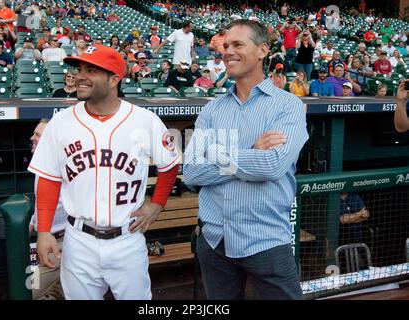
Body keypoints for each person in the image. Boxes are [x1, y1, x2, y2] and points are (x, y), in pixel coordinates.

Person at [29, 44, 180, 300]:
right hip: (78, 239)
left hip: (127, 238)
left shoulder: (144, 120)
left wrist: (157, 204)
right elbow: (48, 179)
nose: (80, 76)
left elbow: (170, 163)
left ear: (114, 79)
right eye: (79, 69)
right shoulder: (60, 123)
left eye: (91, 70)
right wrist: (44, 231)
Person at [183, 19, 307, 300]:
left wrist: (214, 154)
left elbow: (272, 165)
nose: (228, 51)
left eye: (238, 44)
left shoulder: (288, 106)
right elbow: (191, 172)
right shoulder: (211, 110)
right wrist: (251, 151)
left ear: (262, 50)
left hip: (266, 240)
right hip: (214, 240)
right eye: (226, 45)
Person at [29, 119, 67, 300]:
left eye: (37, 135)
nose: (32, 138)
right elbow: (44, 203)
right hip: (50, 240)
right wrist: (33, 221)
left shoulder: (61, 168)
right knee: (59, 294)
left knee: (30, 289)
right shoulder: (42, 165)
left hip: (59, 243)